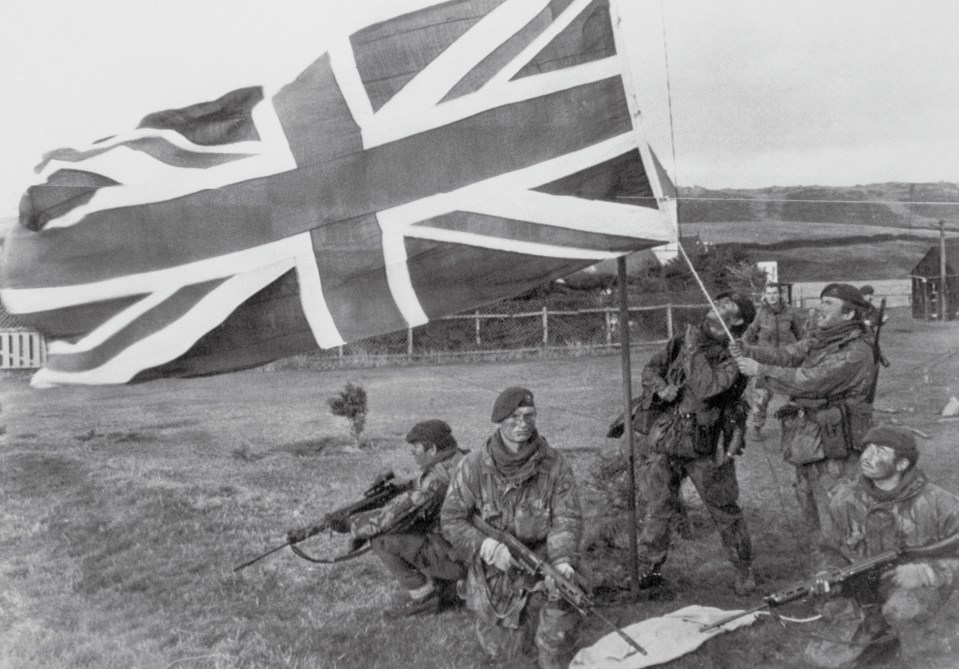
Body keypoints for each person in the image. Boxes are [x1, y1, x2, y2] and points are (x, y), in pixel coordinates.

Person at [441, 387, 583, 669]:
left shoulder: (555, 465)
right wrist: (486, 547)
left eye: (529, 416)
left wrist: (563, 561)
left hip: (544, 559)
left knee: (555, 640)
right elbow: (451, 519)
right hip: (497, 569)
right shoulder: (472, 467)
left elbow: (566, 519)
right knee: (508, 655)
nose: (522, 424)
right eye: (514, 417)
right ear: (499, 421)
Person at [732, 283, 877, 553]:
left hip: (837, 447)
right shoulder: (821, 340)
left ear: (848, 315)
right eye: (821, 302)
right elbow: (788, 354)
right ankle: (825, 573)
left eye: (828, 305)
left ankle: (852, 578)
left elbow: (810, 381)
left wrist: (759, 370)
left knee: (838, 515)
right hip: (810, 441)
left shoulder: (856, 351)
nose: (819, 309)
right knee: (810, 509)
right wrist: (749, 350)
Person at [634, 292, 757, 596]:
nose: (717, 305)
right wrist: (661, 388)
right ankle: (649, 570)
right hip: (668, 438)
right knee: (656, 506)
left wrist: (693, 347)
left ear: (738, 319)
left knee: (724, 510)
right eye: (719, 300)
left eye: (727, 304)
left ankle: (743, 569)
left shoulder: (735, 355)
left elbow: (706, 387)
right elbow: (650, 370)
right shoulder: (683, 340)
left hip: (707, 444)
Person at [804, 426, 959, 668]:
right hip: (864, 592)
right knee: (823, 660)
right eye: (866, 448)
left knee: (905, 610)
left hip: (917, 594)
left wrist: (928, 573)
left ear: (901, 464)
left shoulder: (940, 503)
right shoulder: (845, 500)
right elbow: (828, 549)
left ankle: (921, 650)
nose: (867, 457)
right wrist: (827, 572)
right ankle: (885, 638)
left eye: (880, 451)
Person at [288, 419, 467, 618]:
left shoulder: (435, 484)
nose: (412, 452)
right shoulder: (460, 461)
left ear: (432, 449)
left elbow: (389, 520)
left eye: (416, 447)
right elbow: (419, 482)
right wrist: (398, 486)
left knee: (382, 540)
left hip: (462, 559)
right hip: (474, 549)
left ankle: (426, 598)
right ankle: (446, 583)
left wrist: (349, 524)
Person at [741, 283, 804, 438]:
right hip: (765, 360)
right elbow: (751, 332)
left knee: (794, 396)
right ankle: (756, 426)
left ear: (780, 294)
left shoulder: (790, 312)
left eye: (775, 293)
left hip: (786, 360)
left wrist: (804, 353)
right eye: (769, 293)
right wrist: (743, 347)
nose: (772, 296)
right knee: (762, 395)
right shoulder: (761, 313)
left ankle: (796, 427)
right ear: (765, 295)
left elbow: (801, 335)